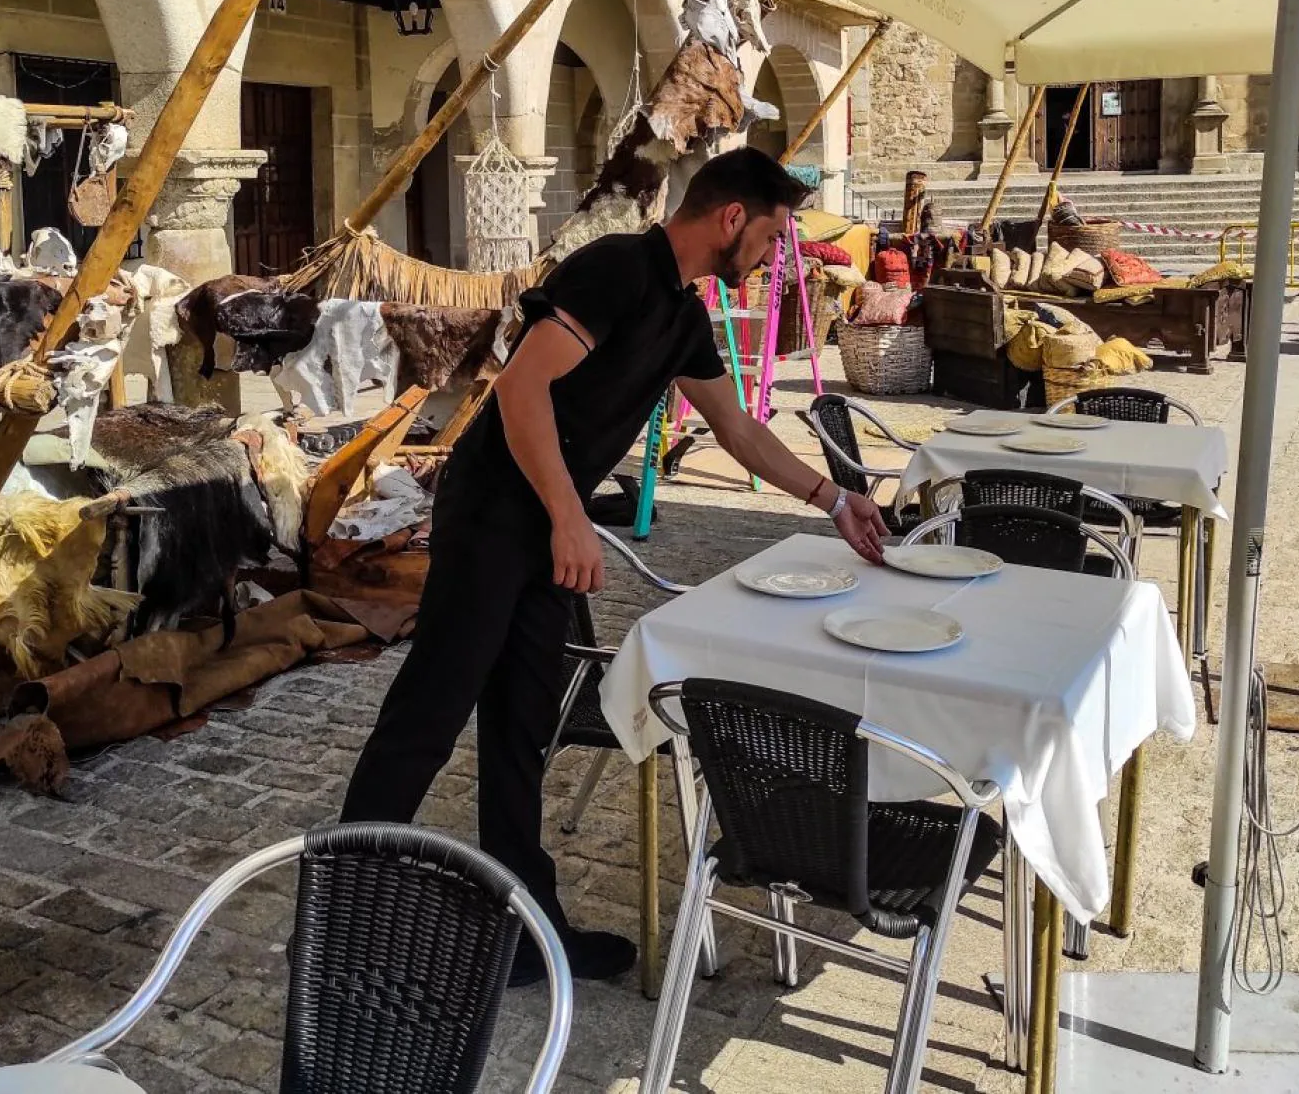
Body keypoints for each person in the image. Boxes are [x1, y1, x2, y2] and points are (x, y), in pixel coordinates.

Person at [337, 148, 889, 985]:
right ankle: (345, 917)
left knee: (523, 729)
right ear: (731, 218)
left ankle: (527, 931)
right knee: (429, 715)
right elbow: (521, 391)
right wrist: (569, 518)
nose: (776, 257)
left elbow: (738, 431)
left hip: (542, 531)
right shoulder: (616, 269)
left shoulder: (683, 315)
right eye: (773, 235)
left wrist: (833, 496)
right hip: (492, 517)